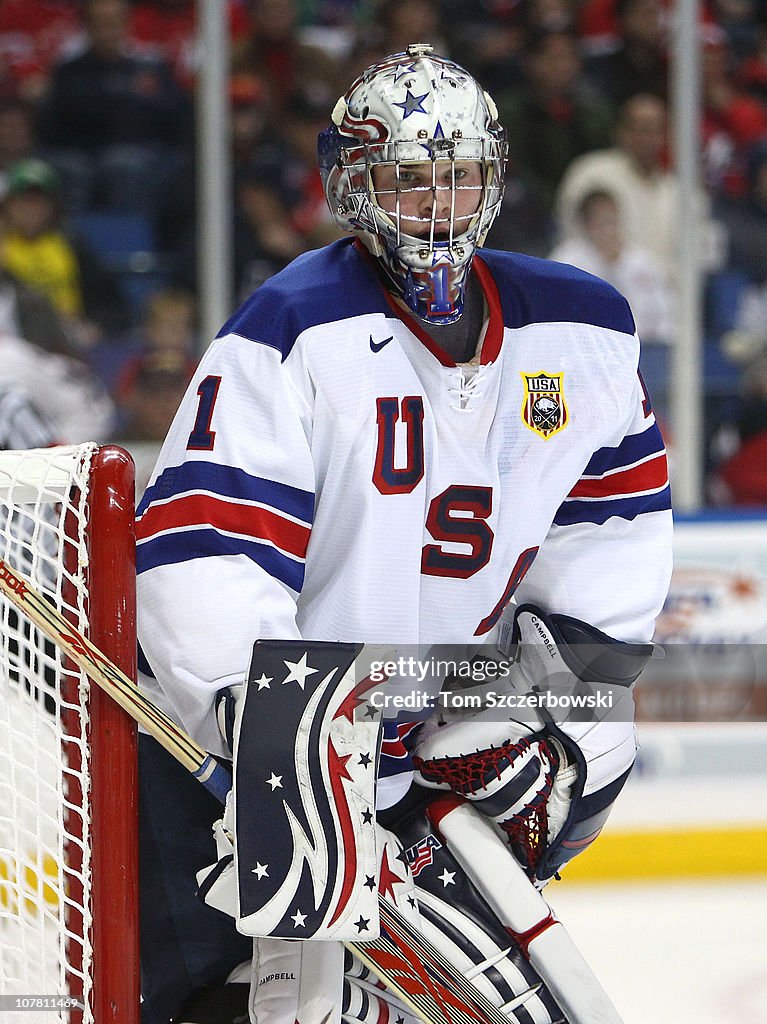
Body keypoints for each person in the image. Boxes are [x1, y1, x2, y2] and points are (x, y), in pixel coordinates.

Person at [136, 43, 673, 1023]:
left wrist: (527, 697)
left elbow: (612, 535)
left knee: (584, 742)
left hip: (412, 748)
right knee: (209, 999)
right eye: (409, 180)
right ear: (353, 187)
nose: (438, 204)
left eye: (459, 177)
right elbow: (203, 558)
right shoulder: (288, 332)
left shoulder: (581, 336)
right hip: (228, 760)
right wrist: (280, 744)